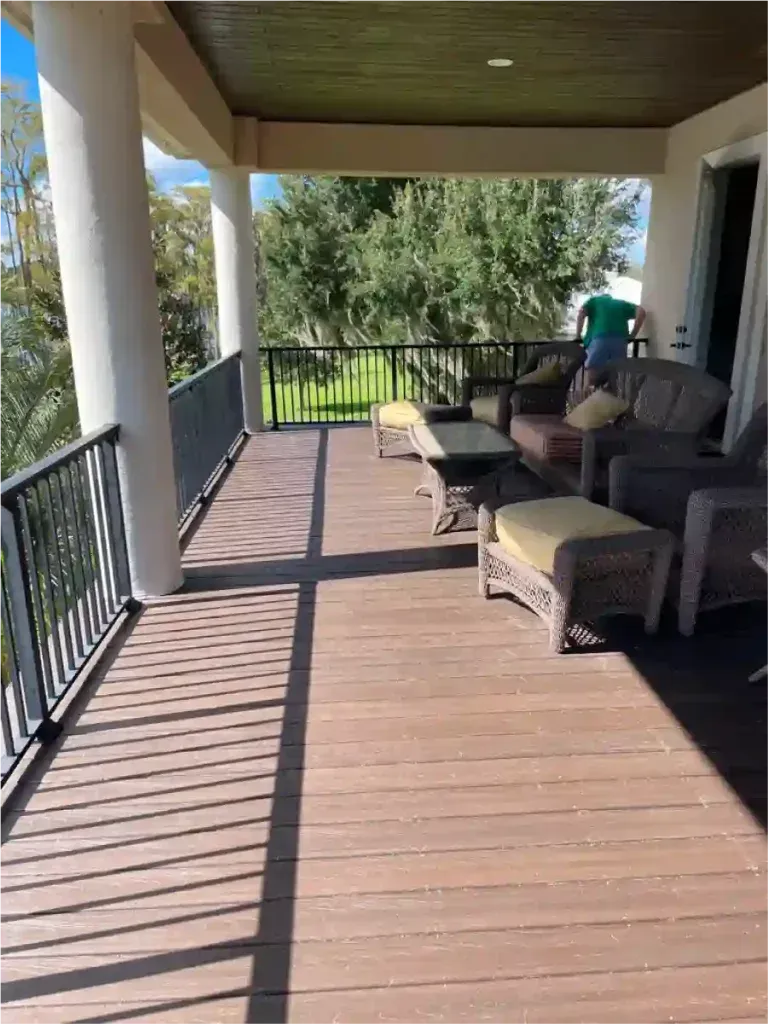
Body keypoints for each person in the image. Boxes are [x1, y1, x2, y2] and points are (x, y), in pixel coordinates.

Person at [575, 294, 646, 384]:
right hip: (620, 342)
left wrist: (578, 335)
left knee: (592, 377)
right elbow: (641, 311)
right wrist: (633, 335)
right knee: (616, 378)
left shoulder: (593, 301)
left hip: (599, 340)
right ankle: (611, 394)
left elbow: (581, 315)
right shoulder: (620, 304)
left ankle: (592, 395)